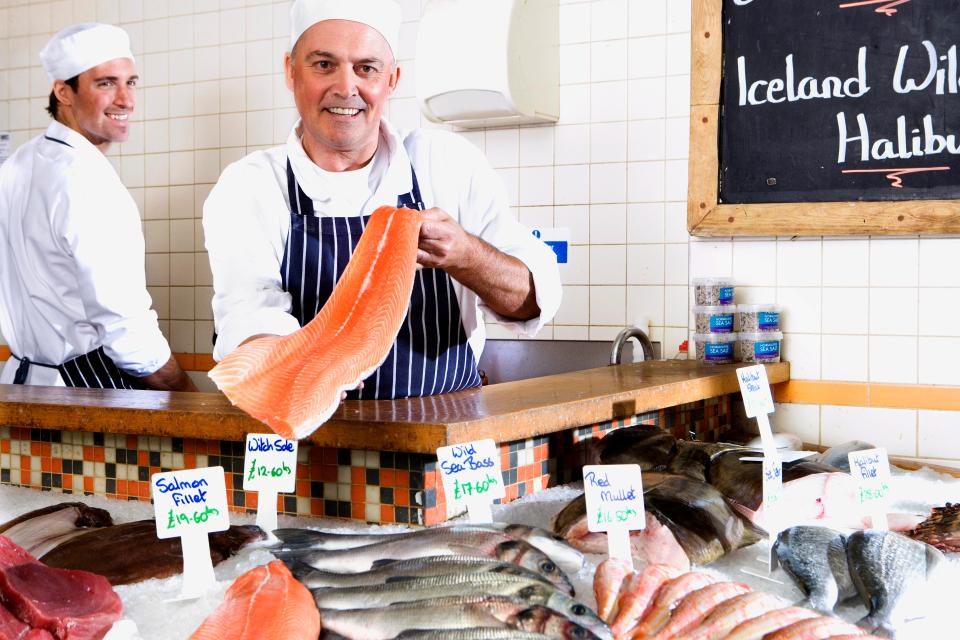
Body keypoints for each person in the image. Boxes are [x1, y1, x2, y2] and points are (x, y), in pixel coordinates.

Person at [204, 0, 561, 399]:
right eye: (324, 64)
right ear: (290, 71)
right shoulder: (250, 185)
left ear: (391, 80)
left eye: (366, 68)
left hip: (446, 438)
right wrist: (298, 366)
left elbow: (531, 298)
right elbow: (247, 312)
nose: (345, 87)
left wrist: (467, 256)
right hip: (310, 436)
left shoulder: (446, 163)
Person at [0, 23, 196, 391]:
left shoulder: (17, 165)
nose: (126, 99)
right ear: (63, 91)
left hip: (19, 384)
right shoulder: (88, 181)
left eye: (131, 82)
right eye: (106, 83)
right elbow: (127, 329)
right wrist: (185, 394)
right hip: (86, 389)